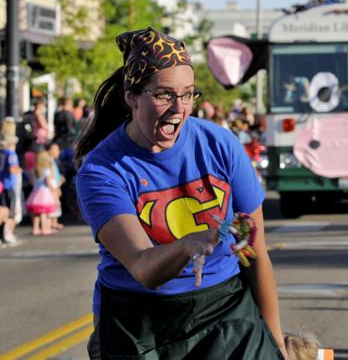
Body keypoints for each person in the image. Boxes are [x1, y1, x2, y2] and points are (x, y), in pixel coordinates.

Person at [75, 27, 286, 359]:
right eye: (164, 94)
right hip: (137, 320)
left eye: (188, 94)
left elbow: (254, 250)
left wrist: (276, 344)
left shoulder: (221, 146)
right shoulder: (103, 170)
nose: (179, 108)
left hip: (223, 308)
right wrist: (187, 245)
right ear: (131, 96)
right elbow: (144, 268)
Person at [25, 150, 58, 236]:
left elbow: (31, 182)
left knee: (36, 212)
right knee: (43, 212)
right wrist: (53, 188)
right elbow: (48, 181)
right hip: (44, 193)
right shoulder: (46, 170)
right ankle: (44, 228)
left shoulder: (34, 170)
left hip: (35, 192)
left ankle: (35, 228)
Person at [0, 127, 22, 246]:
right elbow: (12, 168)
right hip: (9, 185)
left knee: (2, 210)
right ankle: (7, 234)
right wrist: (20, 170)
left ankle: (3, 235)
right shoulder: (11, 153)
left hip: (1, 185)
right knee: (9, 212)